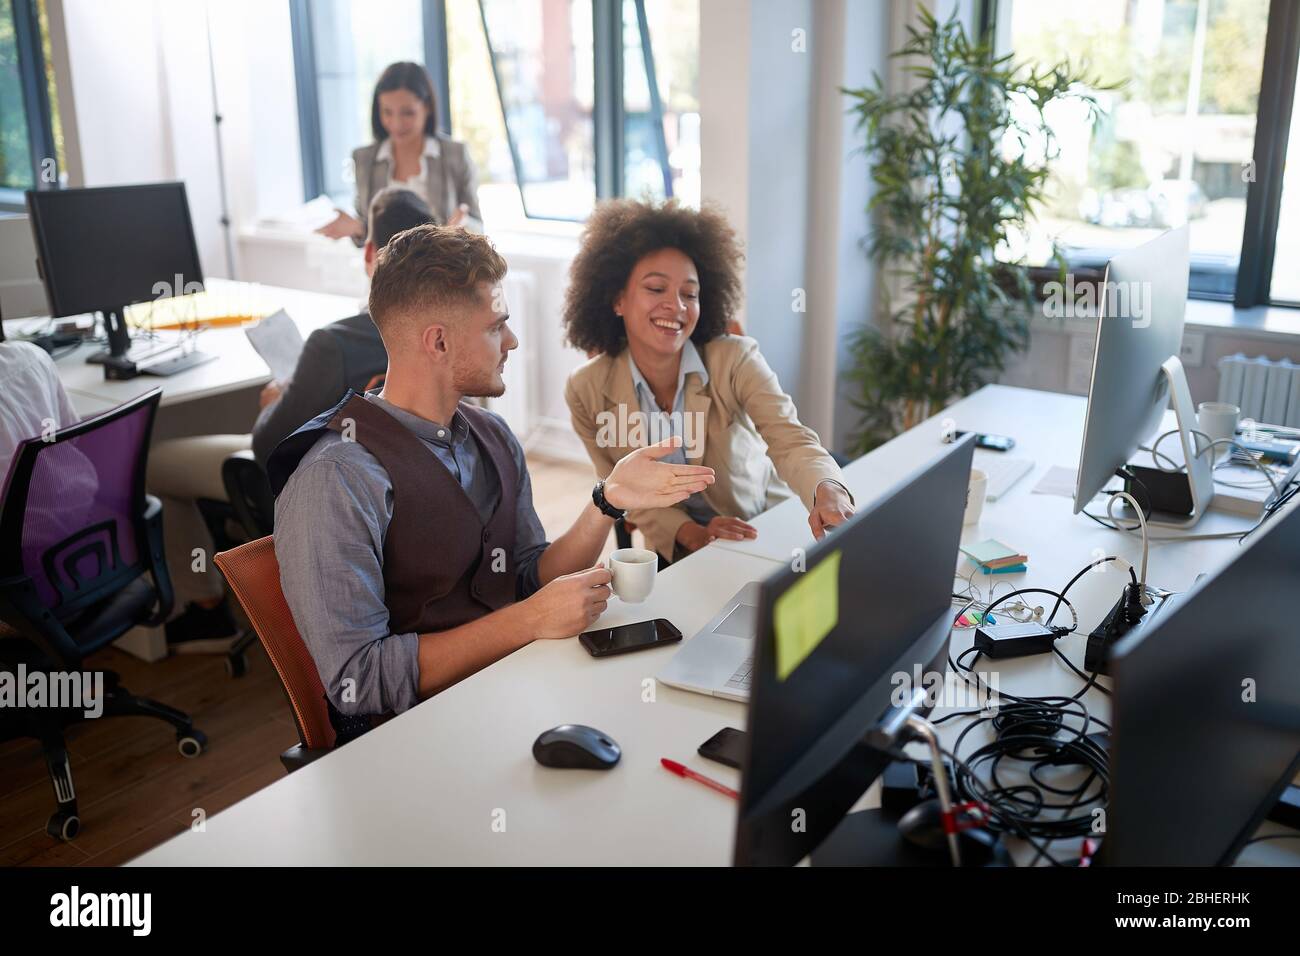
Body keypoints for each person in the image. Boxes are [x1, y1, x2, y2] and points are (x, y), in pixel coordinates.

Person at [268, 226, 714, 744]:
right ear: (438, 341)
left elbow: (527, 577)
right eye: (496, 326)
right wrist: (527, 622)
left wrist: (607, 500)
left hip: (512, 691)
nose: (512, 340)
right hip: (413, 740)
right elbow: (358, 682)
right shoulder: (337, 477)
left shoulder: (491, 435)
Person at [563, 198, 855, 563]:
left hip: (761, 524)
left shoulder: (736, 359)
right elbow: (620, 490)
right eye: (656, 289)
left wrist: (827, 488)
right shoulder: (585, 391)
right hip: (681, 547)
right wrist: (694, 534)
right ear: (618, 299)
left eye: (689, 293)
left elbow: (789, 439)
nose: (677, 306)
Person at [251, 187, 436, 467]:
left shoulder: (333, 345)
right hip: (423, 482)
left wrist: (274, 404)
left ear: (369, 253)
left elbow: (267, 446)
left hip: (334, 491)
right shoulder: (447, 333)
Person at [317, 61, 482, 244]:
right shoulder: (364, 160)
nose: (396, 123)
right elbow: (365, 239)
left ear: (427, 107)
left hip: (440, 269)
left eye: (408, 113)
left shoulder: (455, 155)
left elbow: (478, 228)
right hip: (385, 270)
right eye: (387, 112)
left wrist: (463, 228)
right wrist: (357, 228)